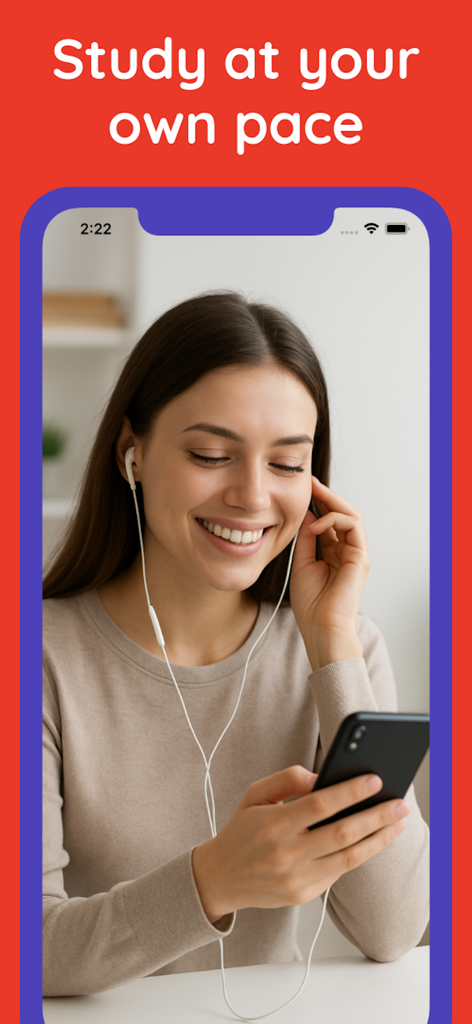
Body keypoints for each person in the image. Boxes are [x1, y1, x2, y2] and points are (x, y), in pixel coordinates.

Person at [42, 291, 429, 997]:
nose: (252, 496)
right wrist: (212, 878)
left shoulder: (343, 649)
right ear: (132, 453)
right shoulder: (38, 659)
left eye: (287, 465)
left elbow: (394, 927)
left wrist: (331, 647)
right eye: (211, 454)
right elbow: (26, 948)